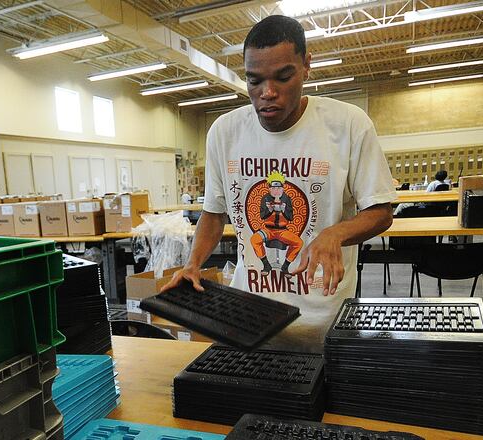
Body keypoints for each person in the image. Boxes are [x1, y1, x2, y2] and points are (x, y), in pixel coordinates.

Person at [161, 15, 396, 352]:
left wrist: (334, 234)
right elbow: (214, 214)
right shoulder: (225, 133)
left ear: (306, 66)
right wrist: (193, 264)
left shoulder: (347, 125)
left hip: (322, 324)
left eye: (283, 77)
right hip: (249, 320)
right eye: (254, 81)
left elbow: (381, 211)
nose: (267, 93)